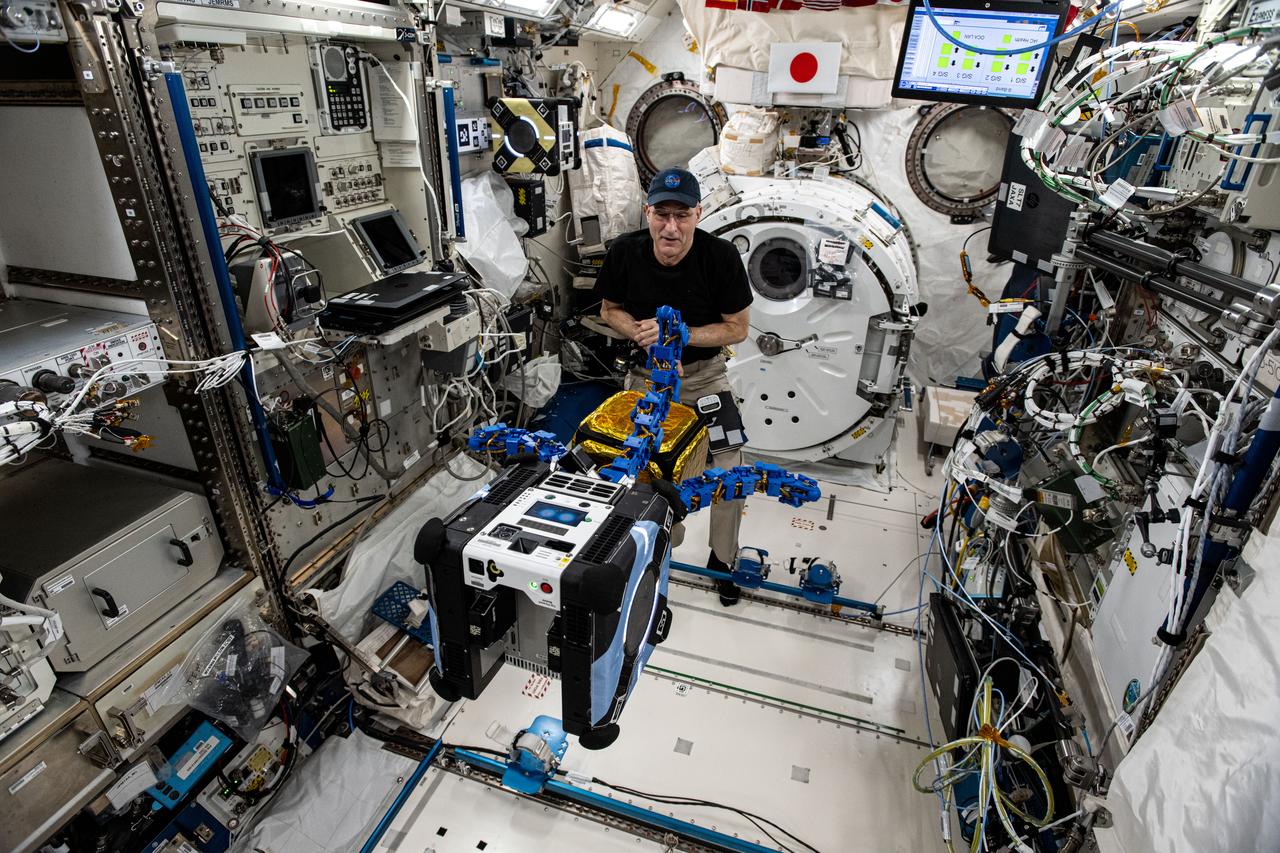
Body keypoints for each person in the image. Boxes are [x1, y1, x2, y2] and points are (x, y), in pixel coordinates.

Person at [594, 167, 753, 606]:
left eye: (681, 216)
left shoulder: (720, 257)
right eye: (661, 214)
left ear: (697, 215)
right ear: (647, 213)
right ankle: (649, 549)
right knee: (642, 469)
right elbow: (610, 309)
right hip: (646, 380)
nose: (671, 227)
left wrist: (684, 335)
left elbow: (737, 328)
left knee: (729, 470)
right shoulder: (624, 254)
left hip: (705, 379)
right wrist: (637, 332)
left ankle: (722, 559)